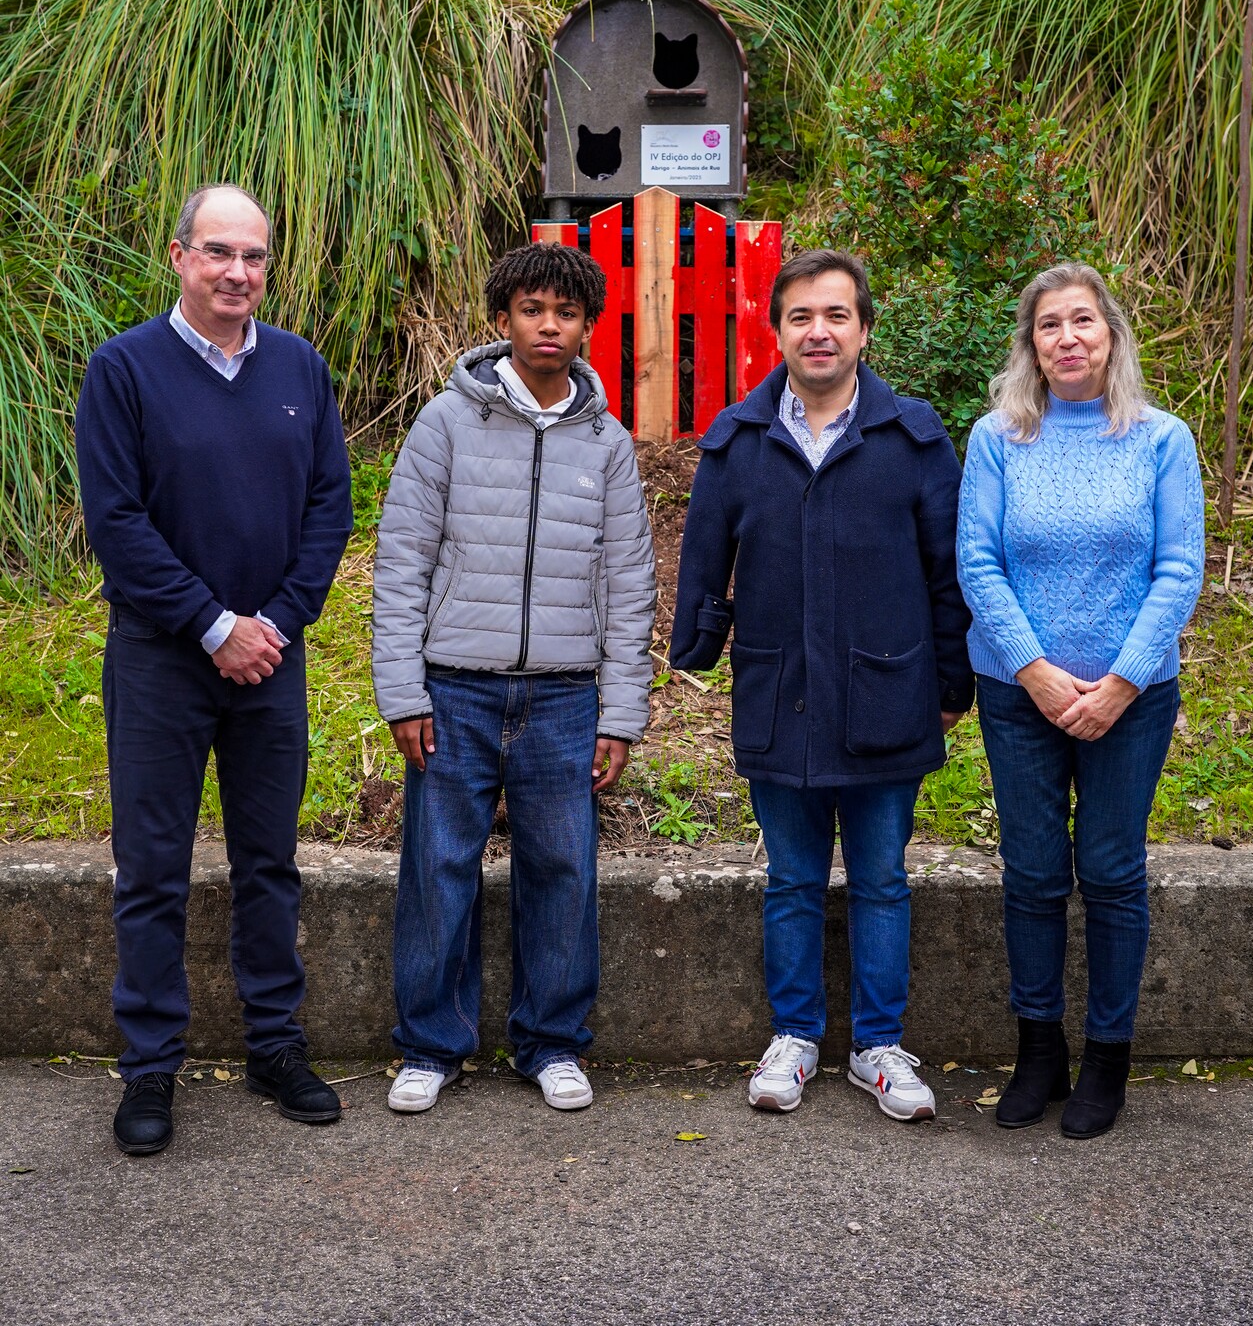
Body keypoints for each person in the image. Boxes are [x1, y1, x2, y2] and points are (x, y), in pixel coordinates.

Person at [75, 183, 353, 1156]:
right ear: (179, 254)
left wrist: (271, 623)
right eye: (218, 253)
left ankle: (275, 1044)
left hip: (270, 659)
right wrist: (211, 624)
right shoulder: (124, 372)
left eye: (254, 258)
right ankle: (150, 1065)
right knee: (151, 870)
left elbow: (330, 507)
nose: (238, 273)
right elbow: (116, 523)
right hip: (160, 659)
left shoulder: (298, 369)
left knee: (269, 864)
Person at [670, 249, 973, 1119]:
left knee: (881, 878)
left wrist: (950, 683)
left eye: (837, 315)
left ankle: (879, 1047)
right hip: (781, 697)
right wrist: (698, 645)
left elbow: (948, 572)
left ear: (865, 330)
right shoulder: (737, 439)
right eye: (801, 316)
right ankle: (795, 1038)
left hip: (888, 697)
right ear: (777, 331)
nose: (819, 331)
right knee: (793, 881)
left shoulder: (913, 438)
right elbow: (702, 556)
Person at [372, 242, 656, 1114]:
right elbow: (402, 561)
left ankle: (553, 1040)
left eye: (566, 313)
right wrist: (404, 692)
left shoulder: (606, 444)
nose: (549, 326)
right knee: (437, 866)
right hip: (455, 686)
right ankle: (431, 1044)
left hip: (568, 695)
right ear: (503, 321)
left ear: (586, 327)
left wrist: (621, 711)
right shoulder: (445, 424)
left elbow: (630, 581)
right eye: (532, 310)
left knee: (563, 869)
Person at [957, 262, 1204, 1140]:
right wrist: (1035, 670)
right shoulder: (997, 438)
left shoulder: (1161, 439)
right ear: (1030, 343)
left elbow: (1179, 570)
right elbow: (977, 563)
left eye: (1083, 323)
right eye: (1049, 326)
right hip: (1018, 691)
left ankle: (1107, 1059)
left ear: (1110, 336)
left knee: (1110, 870)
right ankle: (1038, 1053)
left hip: (1131, 697)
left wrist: (1123, 681)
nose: (1067, 339)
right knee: (1029, 872)